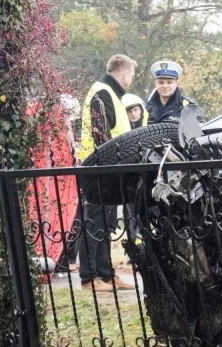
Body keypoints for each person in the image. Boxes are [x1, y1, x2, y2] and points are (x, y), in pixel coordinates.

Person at [77, 54, 139, 292]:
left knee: (107, 222)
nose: (130, 80)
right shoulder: (102, 92)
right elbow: (100, 135)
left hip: (109, 169)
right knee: (94, 222)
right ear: (125, 73)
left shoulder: (110, 94)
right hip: (99, 168)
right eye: (131, 76)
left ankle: (105, 274)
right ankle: (89, 277)